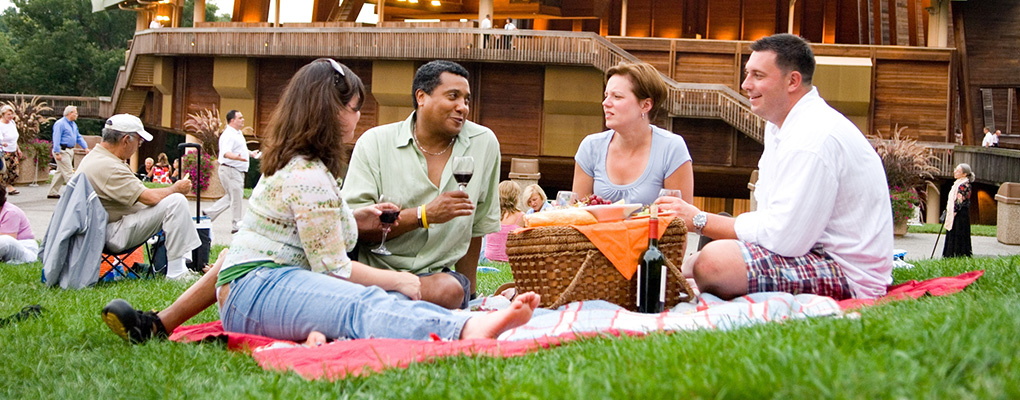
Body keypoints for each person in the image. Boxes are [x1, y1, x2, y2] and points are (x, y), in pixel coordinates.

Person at [101, 59, 539, 344]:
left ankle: (158, 324)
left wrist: (358, 216)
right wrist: (409, 281)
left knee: (356, 297)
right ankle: (466, 329)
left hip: (249, 284)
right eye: (353, 107)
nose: (357, 117)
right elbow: (335, 269)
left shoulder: (304, 170)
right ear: (330, 109)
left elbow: (292, 239)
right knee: (363, 304)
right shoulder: (314, 176)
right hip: (261, 289)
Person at [655, 33, 893, 301]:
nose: (745, 84)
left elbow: (785, 239)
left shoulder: (813, 136)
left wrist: (700, 220)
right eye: (747, 74)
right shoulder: (781, 126)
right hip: (810, 251)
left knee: (713, 263)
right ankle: (677, 267)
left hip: (846, 273)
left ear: (792, 81)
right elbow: (773, 217)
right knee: (705, 259)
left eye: (758, 75)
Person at [342, 60, 501, 310]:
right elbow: (352, 227)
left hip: (438, 277)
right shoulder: (374, 143)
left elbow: (477, 226)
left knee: (450, 291)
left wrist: (470, 301)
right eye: (453, 96)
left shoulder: (484, 143)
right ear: (421, 97)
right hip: (376, 272)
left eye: (466, 100)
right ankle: (390, 303)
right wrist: (424, 216)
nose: (463, 107)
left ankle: (376, 306)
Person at [76, 113, 202, 280]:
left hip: (100, 230)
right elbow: (148, 197)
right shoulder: (109, 167)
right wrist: (175, 188)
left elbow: (141, 194)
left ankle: (181, 266)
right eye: (139, 141)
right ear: (126, 139)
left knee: (171, 201)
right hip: (111, 234)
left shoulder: (96, 158)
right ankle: (176, 272)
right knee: (176, 202)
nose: (139, 146)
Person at [572, 61, 694, 206]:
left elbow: (681, 220)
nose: (605, 103)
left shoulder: (671, 147)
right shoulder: (590, 147)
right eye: (606, 95)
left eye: (617, 96)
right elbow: (577, 213)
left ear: (645, 105)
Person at [203, 110, 249, 234]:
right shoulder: (228, 134)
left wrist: (250, 154)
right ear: (232, 120)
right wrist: (237, 158)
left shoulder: (237, 133)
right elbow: (226, 152)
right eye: (240, 117)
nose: (243, 119)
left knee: (231, 196)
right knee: (236, 198)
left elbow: (240, 150)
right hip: (231, 170)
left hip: (235, 170)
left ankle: (209, 214)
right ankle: (236, 224)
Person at [48, 106, 90, 199]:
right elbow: (56, 138)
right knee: (68, 172)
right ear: (70, 113)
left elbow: (78, 137)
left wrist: (85, 147)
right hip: (62, 150)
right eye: (75, 113)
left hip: (70, 150)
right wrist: (57, 152)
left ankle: (52, 192)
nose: (77, 115)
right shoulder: (60, 124)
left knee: (60, 173)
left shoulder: (74, 125)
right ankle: (76, 192)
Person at [484, 181, 526, 262]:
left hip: (489, 259)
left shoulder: (490, 213)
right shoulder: (521, 216)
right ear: (515, 197)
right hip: (511, 260)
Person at [942, 163, 974, 258]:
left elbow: (960, 201)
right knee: (952, 233)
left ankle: (958, 254)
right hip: (954, 212)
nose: (955, 172)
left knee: (958, 233)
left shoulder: (964, 185)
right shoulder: (957, 183)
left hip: (960, 214)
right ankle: (949, 253)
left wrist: (953, 212)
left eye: (958, 171)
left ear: (964, 174)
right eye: (955, 169)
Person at [0, 189, 38, 263]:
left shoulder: (10, 212)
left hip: (25, 248)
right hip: (7, 250)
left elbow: (9, 240)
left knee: (4, 240)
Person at [0, 105, 21, 195]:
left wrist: (18, 149)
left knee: (15, 171)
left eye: (11, 114)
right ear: (3, 114)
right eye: (8, 114)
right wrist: (2, 143)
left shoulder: (12, 123)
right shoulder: (1, 125)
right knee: (4, 171)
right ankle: (6, 188)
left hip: (13, 150)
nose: (10, 116)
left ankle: (9, 185)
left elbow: (14, 138)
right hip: (4, 151)